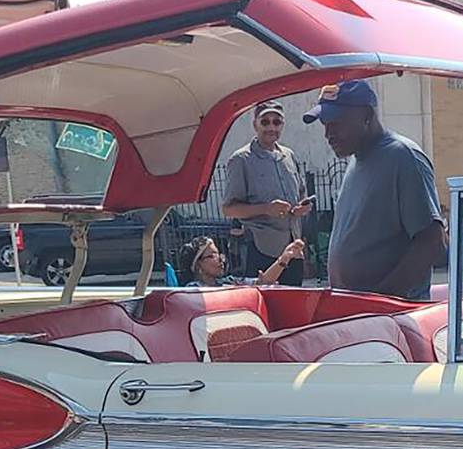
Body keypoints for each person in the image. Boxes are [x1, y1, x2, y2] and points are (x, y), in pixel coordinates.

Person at [305, 80, 444, 299]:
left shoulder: (402, 157)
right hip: (356, 315)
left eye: (336, 123)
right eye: (325, 124)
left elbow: (431, 241)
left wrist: (381, 299)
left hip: (389, 321)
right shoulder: (356, 160)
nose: (328, 134)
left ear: (367, 116)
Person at [221, 101, 313, 285]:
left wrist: (300, 208)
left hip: (293, 248)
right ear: (255, 124)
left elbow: (301, 195)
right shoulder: (241, 160)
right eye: (265, 122)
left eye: (276, 122)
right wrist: (265, 209)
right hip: (261, 248)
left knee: (293, 304)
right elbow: (229, 209)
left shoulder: (289, 155)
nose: (271, 127)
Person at [176, 235, 305, 287]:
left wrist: (284, 258)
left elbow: (263, 281)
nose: (220, 259)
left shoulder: (229, 282)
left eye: (218, 254)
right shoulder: (192, 290)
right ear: (198, 265)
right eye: (212, 256)